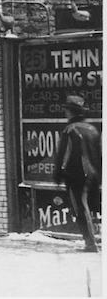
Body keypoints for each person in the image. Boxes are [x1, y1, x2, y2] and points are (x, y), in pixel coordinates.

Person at [53, 95, 101, 253]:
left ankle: (90, 243)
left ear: (71, 112)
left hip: (76, 175)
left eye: (67, 110)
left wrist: (58, 172)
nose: (65, 113)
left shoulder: (70, 129)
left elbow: (63, 154)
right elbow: (99, 154)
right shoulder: (92, 129)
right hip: (93, 174)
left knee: (81, 208)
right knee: (93, 206)